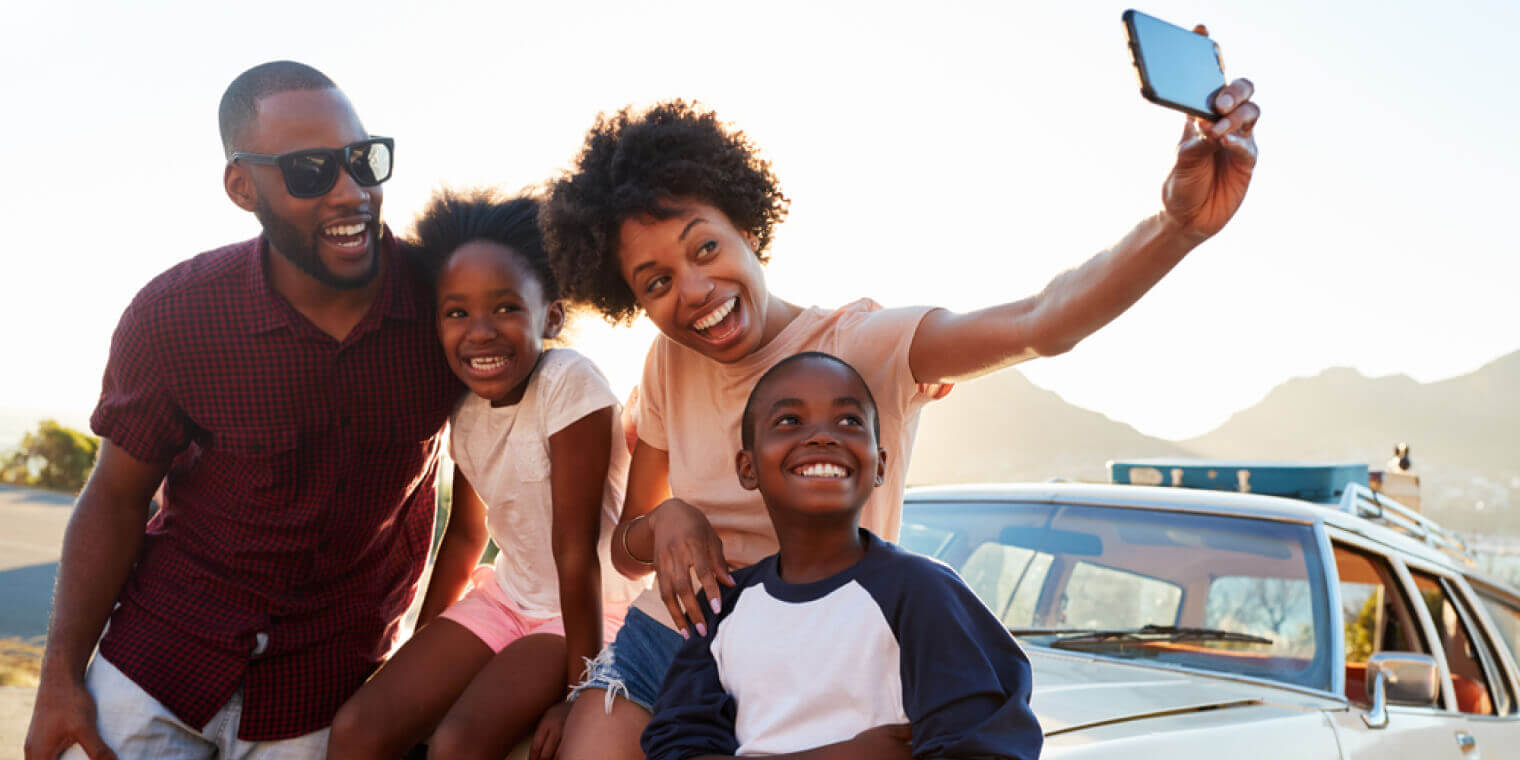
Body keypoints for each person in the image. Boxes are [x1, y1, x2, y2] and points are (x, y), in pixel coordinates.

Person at [542, 73, 1258, 758]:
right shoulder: (669, 362)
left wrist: (1178, 227)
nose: (693, 291)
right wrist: (669, 519)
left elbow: (1043, 321)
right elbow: (625, 545)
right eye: (657, 282)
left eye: (706, 248)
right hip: (674, 642)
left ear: (748, 230)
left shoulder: (861, 345)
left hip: (822, 663)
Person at [24, 61, 463, 760]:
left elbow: (492, 494)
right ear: (241, 186)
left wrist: (431, 670)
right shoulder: (174, 315)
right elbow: (114, 496)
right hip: (157, 663)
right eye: (311, 171)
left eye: (364, 161)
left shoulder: (447, 309)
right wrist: (58, 681)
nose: (351, 192)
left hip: (328, 690)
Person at [326, 189, 646, 760]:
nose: (480, 331)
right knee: (357, 730)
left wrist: (581, 692)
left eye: (504, 307)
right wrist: (419, 652)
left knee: (455, 745)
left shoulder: (569, 382)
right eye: (457, 312)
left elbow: (574, 552)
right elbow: (468, 535)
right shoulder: (464, 405)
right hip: (507, 596)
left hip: (586, 612)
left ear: (550, 315)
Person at [641, 352, 1042, 760]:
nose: (822, 436)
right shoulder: (724, 608)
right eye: (789, 421)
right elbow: (677, 750)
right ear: (748, 468)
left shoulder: (922, 593)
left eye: (849, 421)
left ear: (881, 464)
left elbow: (985, 745)